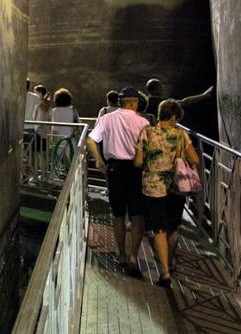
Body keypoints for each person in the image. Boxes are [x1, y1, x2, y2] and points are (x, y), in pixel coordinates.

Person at [134, 98, 199, 287]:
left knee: (159, 229)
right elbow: (194, 158)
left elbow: (138, 161)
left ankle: (165, 272)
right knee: (173, 228)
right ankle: (169, 262)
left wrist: (150, 163)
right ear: (173, 118)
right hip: (176, 188)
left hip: (153, 187)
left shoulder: (147, 132)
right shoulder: (180, 135)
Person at [87, 86, 149, 276]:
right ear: (133, 102)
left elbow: (91, 140)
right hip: (137, 170)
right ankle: (133, 256)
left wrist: (98, 159)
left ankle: (121, 254)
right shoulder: (144, 122)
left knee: (118, 214)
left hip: (115, 169)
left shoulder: (107, 118)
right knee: (137, 215)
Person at [145, 77, 214, 121]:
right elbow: (185, 102)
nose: (163, 88)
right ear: (154, 90)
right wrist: (203, 95)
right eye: (160, 86)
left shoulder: (144, 102)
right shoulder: (163, 102)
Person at [32, 85, 52, 175]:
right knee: (44, 155)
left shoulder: (38, 105)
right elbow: (50, 119)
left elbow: (34, 119)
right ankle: (44, 174)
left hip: (38, 132)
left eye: (36, 92)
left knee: (37, 155)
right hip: (46, 132)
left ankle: (36, 175)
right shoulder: (49, 105)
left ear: (39, 94)